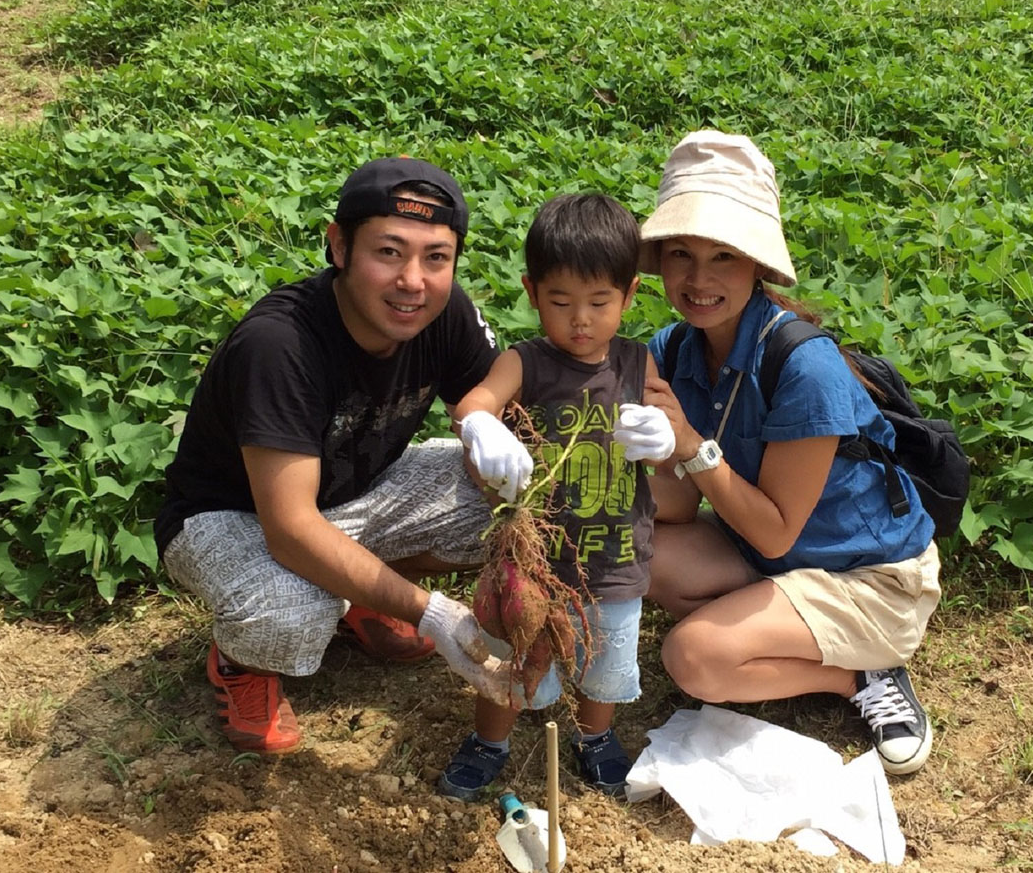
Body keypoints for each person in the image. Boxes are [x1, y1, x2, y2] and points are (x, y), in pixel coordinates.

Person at [155, 156, 514, 755]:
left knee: (502, 500)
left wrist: (485, 429)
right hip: (232, 520)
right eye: (389, 252)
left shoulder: (441, 312)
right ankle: (243, 661)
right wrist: (436, 615)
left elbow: (499, 392)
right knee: (287, 609)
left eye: (436, 257)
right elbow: (290, 530)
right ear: (339, 246)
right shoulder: (281, 344)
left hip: (351, 496)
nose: (413, 281)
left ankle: (359, 598)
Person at [639, 131, 941, 775]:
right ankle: (774, 635)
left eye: (723, 256)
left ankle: (859, 675)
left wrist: (689, 444)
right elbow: (678, 501)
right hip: (770, 555)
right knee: (630, 545)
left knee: (691, 659)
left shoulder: (804, 367)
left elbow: (774, 533)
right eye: (682, 254)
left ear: (757, 265)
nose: (699, 279)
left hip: (868, 577)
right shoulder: (676, 349)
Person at [436, 193, 676, 801]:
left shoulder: (637, 362)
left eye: (599, 303)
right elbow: (476, 401)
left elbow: (676, 430)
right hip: (534, 562)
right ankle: (489, 742)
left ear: (628, 296)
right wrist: (481, 425)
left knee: (607, 662)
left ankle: (594, 737)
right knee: (514, 655)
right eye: (560, 302)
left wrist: (664, 437)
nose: (580, 320)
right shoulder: (526, 362)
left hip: (617, 554)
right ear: (531, 290)